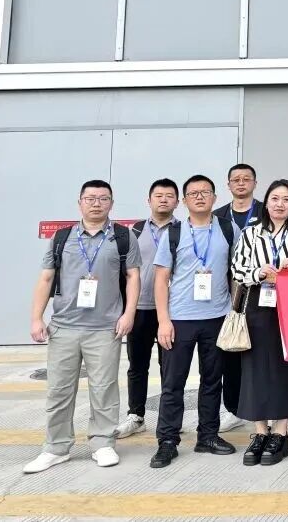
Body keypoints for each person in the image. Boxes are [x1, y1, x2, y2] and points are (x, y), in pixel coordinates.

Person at [25, 180, 141, 473]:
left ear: (111, 203)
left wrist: (128, 314)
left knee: (104, 389)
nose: (96, 203)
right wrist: (37, 317)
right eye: (90, 198)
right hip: (64, 326)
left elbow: (133, 277)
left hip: (105, 327)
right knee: (59, 390)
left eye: (103, 198)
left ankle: (102, 443)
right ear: (80, 203)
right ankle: (56, 447)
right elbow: (46, 278)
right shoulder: (62, 237)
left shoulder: (123, 236)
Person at [150, 175, 241, 468]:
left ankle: (208, 436)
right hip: (180, 319)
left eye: (205, 192)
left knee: (212, 381)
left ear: (215, 197)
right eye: (193, 193)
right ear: (184, 201)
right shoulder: (173, 233)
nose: (200, 197)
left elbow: (236, 273)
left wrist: (234, 311)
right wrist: (163, 321)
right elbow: (161, 279)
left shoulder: (228, 228)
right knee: (172, 383)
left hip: (217, 317)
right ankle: (167, 441)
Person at [231, 179, 288, 466]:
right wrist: (258, 272)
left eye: (286, 199)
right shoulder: (251, 232)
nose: (280, 204)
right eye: (275, 198)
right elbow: (237, 268)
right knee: (255, 367)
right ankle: (259, 432)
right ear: (266, 202)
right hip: (258, 302)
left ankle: (280, 432)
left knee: (286, 365)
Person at [115, 179, 179, 439]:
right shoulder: (134, 231)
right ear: (149, 200)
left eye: (169, 195)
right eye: (158, 195)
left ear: (177, 201)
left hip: (172, 310)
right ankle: (136, 415)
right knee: (137, 365)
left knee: (170, 366)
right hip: (140, 307)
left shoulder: (183, 230)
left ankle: (169, 417)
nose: (163, 199)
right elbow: (123, 271)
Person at [213, 163, 262, 433]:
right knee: (230, 351)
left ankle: (260, 404)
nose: (241, 183)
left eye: (246, 179)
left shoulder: (267, 211)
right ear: (228, 185)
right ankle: (232, 409)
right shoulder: (217, 216)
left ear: (255, 183)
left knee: (261, 350)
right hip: (228, 293)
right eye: (236, 180)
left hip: (262, 291)